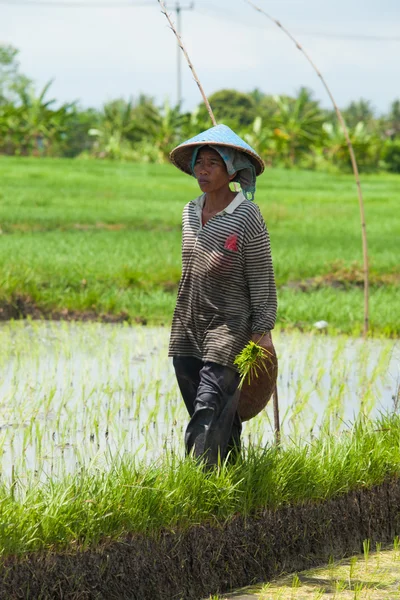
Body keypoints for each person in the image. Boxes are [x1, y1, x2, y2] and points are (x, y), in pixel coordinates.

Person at [168, 124, 277, 468]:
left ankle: (198, 485)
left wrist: (263, 331)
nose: (203, 170)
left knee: (208, 410)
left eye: (213, 163)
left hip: (228, 329)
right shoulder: (189, 211)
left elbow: (261, 276)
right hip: (187, 326)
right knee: (219, 417)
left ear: (231, 169)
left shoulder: (246, 215)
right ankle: (230, 479)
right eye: (200, 162)